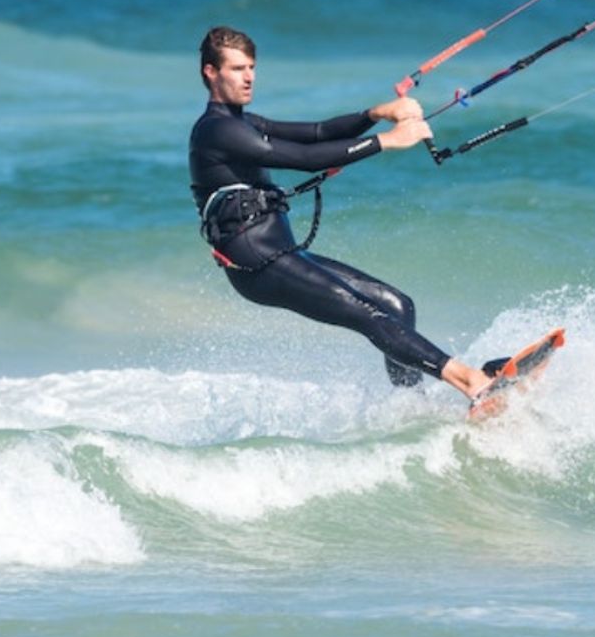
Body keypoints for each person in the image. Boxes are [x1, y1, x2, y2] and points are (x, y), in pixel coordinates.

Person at [189, 25, 500, 410]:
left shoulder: (246, 123)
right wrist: (386, 140)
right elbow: (303, 160)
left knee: (397, 306)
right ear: (210, 72)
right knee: (370, 316)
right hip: (257, 262)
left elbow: (317, 133)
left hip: (280, 253)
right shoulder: (215, 130)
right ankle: (472, 381)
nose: (249, 77)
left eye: (251, 67)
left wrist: (375, 114)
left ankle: (413, 408)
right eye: (237, 69)